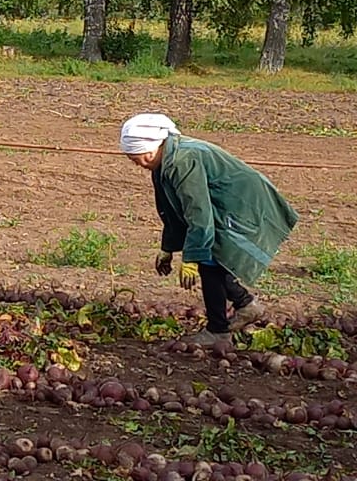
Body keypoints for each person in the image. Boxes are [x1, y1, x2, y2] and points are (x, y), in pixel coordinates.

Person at [120, 113, 299, 345]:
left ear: (150, 148)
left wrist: (192, 258)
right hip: (221, 206)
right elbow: (172, 211)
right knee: (213, 260)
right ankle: (245, 305)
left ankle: (219, 330)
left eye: (136, 158)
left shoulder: (182, 161)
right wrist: (168, 248)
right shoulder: (163, 164)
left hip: (243, 204)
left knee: (209, 262)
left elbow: (198, 213)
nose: (136, 164)